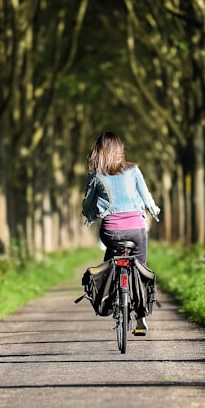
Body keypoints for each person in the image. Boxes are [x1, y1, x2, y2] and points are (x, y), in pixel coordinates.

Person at [82, 132, 161, 336]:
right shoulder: (133, 170)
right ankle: (140, 317)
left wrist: (88, 214)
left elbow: (88, 203)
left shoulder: (96, 175)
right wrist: (153, 209)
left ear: (99, 151)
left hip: (111, 231)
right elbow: (146, 195)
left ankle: (107, 295)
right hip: (136, 229)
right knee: (141, 269)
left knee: (111, 257)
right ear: (120, 150)